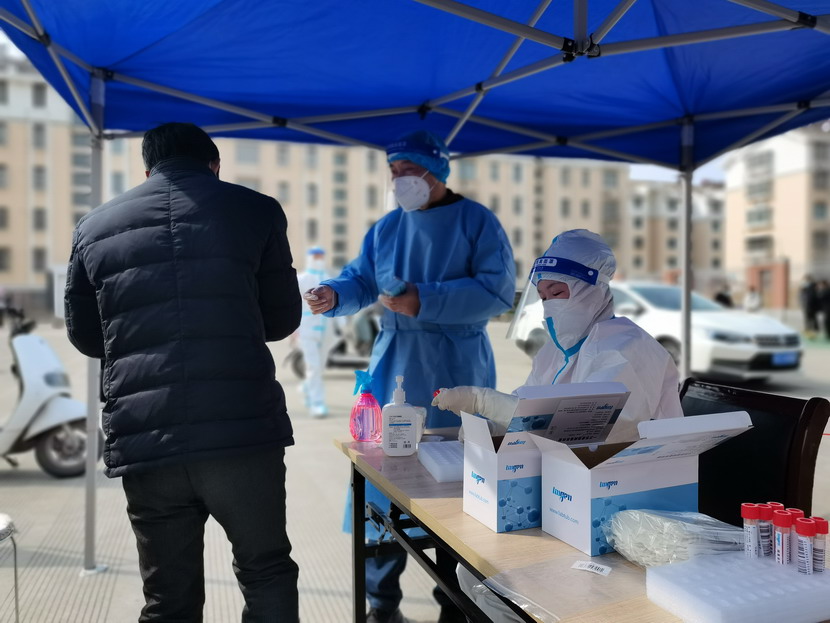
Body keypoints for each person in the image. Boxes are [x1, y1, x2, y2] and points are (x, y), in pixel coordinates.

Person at [64, 122, 302, 622]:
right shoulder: (257, 210)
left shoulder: (93, 227)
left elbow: (87, 337)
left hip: (147, 438)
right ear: (214, 165)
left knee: (167, 596)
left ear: (147, 170)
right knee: (265, 571)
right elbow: (282, 320)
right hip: (241, 433)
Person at [306, 129, 515, 623]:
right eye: (393, 171)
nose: (399, 179)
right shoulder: (386, 229)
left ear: (436, 171)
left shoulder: (477, 222)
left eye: (409, 170)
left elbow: (498, 292)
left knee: (459, 487)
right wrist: (335, 294)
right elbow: (361, 279)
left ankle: (456, 603)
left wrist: (427, 299)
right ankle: (382, 605)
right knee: (383, 484)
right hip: (395, 363)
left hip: (457, 366)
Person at [432, 229, 684, 621]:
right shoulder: (557, 353)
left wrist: (486, 402)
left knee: (495, 581)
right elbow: (529, 407)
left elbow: (588, 425)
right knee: (472, 572)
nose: (549, 305)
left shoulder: (628, 348)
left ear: (591, 289)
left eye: (558, 292)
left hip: (630, 516)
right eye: (543, 295)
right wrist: (494, 428)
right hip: (570, 501)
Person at [296, 246, 332, 417]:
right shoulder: (301, 279)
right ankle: (317, 402)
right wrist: (294, 329)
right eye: (315, 256)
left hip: (327, 329)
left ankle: (307, 386)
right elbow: (293, 304)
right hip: (307, 328)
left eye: (320, 256)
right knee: (314, 366)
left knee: (320, 365)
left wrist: (340, 325)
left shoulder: (329, 278)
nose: (318, 259)